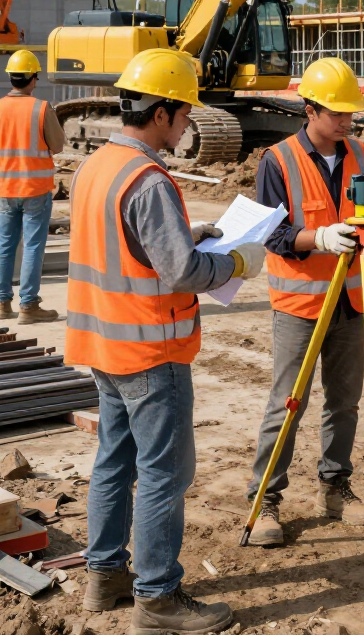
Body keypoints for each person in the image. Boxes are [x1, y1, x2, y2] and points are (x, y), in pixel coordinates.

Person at [66, 48, 266, 635]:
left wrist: (186, 234)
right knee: (163, 475)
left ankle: (104, 577)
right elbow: (181, 273)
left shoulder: (97, 166)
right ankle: (157, 600)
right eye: (183, 116)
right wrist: (235, 262)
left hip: (103, 343)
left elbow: (126, 245)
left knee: (114, 460)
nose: (186, 127)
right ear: (161, 113)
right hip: (152, 352)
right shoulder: (148, 180)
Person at [246, 57, 364, 547]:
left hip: (353, 301)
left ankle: (335, 488)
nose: (347, 122)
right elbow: (272, 234)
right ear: (309, 110)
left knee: (345, 403)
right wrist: (319, 238)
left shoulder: (362, 153)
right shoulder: (277, 160)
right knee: (287, 405)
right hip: (299, 304)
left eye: (351, 113)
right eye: (337, 113)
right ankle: (265, 500)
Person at [0, 49, 64, 323]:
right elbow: (58, 145)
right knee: (32, 247)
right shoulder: (41, 108)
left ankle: (2, 305)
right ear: (33, 78)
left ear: (10, 77)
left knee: (5, 246)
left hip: (5, 188)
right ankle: (28, 306)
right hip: (35, 188)